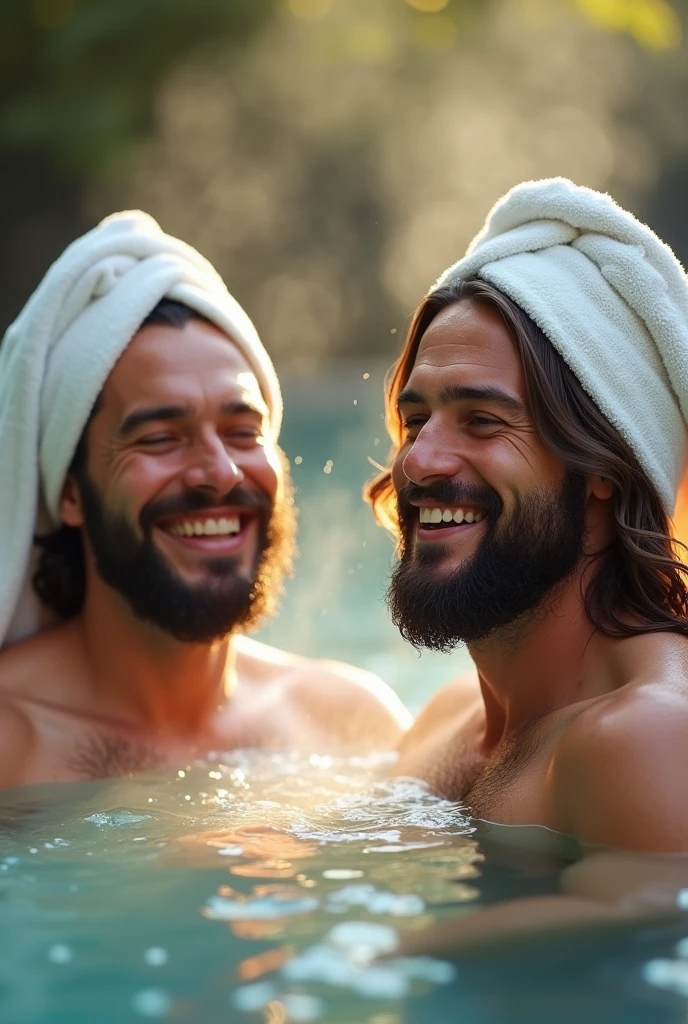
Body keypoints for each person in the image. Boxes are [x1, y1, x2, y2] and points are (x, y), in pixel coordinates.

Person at [0, 212, 410, 789]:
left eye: (244, 432)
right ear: (71, 491)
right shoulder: (13, 748)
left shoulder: (349, 724)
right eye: (161, 437)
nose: (220, 472)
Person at [366, 177, 688, 854]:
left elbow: (629, 919)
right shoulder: (451, 719)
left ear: (603, 467)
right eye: (416, 418)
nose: (420, 461)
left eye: (481, 421)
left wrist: (363, 957)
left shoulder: (647, 737)